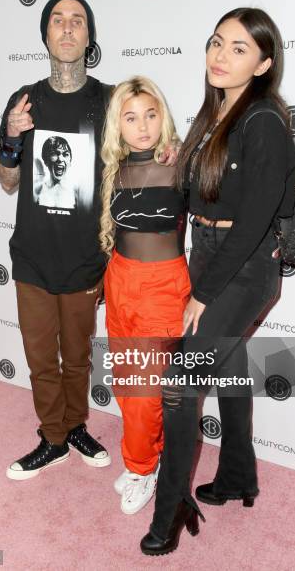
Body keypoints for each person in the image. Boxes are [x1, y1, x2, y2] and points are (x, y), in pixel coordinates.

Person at [140, 7, 295, 555]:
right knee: (229, 368)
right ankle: (237, 476)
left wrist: (205, 294)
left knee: (180, 388)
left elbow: (259, 211)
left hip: (244, 266)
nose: (220, 54)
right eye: (216, 42)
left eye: (238, 48)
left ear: (263, 64)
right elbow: (199, 196)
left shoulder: (263, 120)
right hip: (207, 256)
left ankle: (170, 510)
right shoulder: (213, 116)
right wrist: (175, 161)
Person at [0, 0, 113, 479]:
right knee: (42, 356)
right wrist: (12, 140)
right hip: (33, 258)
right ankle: (52, 438)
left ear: (89, 36)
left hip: (86, 256)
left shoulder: (109, 100)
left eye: (77, 21)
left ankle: (76, 426)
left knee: (78, 356)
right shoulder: (25, 99)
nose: (66, 28)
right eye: (57, 20)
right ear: (44, 34)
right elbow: (7, 181)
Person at [100, 76, 189, 514]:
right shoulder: (114, 170)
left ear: (163, 117)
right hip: (120, 280)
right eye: (131, 117)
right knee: (125, 381)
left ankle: (141, 468)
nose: (142, 126)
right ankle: (145, 458)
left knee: (144, 390)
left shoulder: (181, 163)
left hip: (163, 286)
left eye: (150, 115)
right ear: (118, 124)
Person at [35, 135, 76, 208]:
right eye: (54, 154)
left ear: (70, 161)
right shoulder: (38, 190)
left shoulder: (76, 191)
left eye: (65, 154)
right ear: (46, 160)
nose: (60, 159)